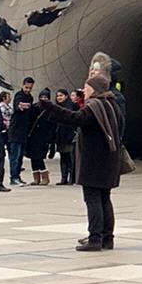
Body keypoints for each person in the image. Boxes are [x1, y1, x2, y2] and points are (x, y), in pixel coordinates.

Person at [55, 71, 126, 251]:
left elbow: (75, 118)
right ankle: (107, 238)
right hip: (109, 159)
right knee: (104, 199)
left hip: (93, 161)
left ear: (95, 89)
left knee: (93, 199)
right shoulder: (112, 105)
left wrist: (51, 108)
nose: (84, 91)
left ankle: (94, 238)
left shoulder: (94, 106)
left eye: (86, 88)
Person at [7, 78, 36, 185]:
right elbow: (18, 105)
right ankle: (13, 177)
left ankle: (17, 176)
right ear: (23, 85)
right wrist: (23, 106)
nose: (28, 90)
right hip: (15, 131)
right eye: (26, 87)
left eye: (30, 88)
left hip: (24, 131)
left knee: (20, 157)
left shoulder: (30, 97)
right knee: (15, 156)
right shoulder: (18, 95)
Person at [26, 88, 57, 185]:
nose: (43, 99)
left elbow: (52, 125)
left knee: (38, 157)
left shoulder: (51, 110)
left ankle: (45, 176)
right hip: (33, 136)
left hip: (43, 137)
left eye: (46, 97)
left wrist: (50, 140)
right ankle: (36, 177)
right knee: (32, 157)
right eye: (42, 97)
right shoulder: (34, 107)